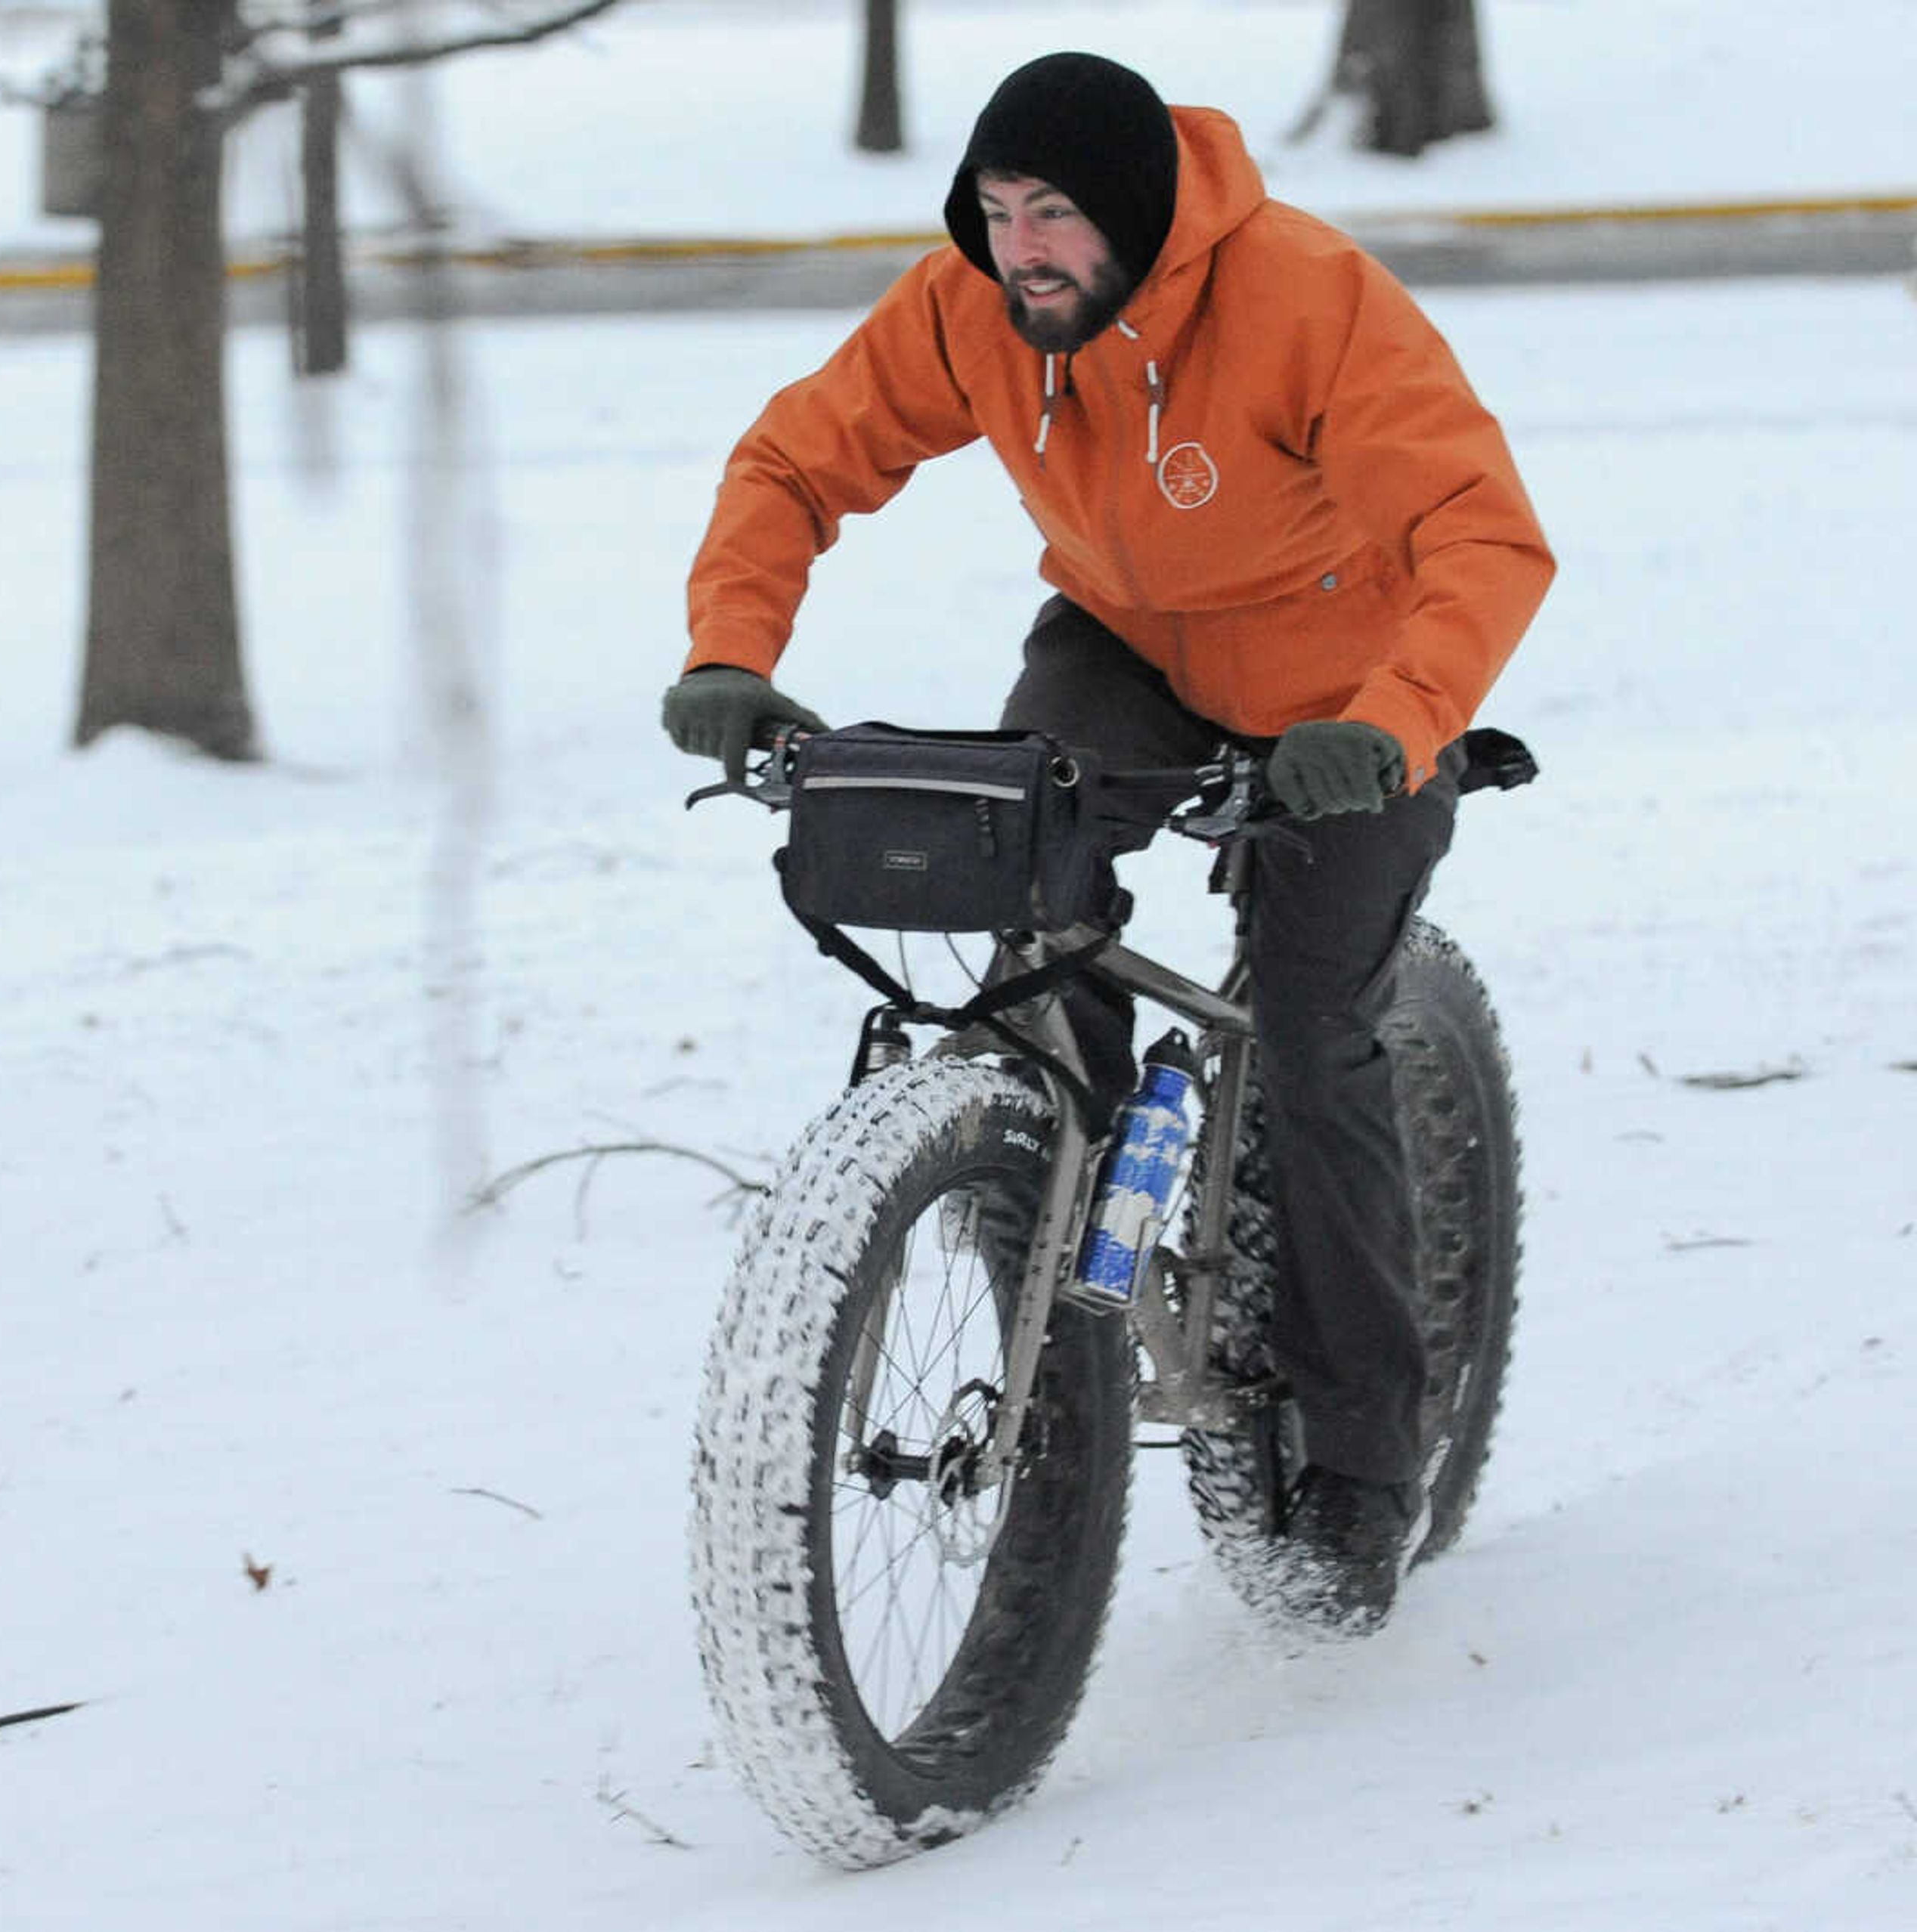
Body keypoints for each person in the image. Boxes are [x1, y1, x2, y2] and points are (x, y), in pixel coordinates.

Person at [661, 51, 1553, 1630]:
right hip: (1132, 652)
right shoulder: (971, 310)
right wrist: (733, 649)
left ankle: (1362, 1459)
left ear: (1137, 217)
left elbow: (1478, 532)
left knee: (1306, 1020)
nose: (1023, 250)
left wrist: (1397, 720)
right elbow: (797, 458)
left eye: (1056, 214)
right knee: (1031, 926)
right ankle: (1054, 1280)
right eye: (998, 214)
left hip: (1353, 705)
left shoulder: (1305, 299)